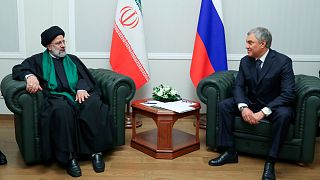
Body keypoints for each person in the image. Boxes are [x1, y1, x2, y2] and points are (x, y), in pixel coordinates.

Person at [12, 26, 115, 177]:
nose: (63, 45)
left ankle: (96, 152)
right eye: (58, 43)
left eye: (63, 41)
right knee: (62, 111)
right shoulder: (38, 60)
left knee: (93, 104)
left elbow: (84, 77)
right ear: (48, 46)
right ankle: (70, 157)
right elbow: (18, 68)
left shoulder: (72, 59)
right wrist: (30, 76)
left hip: (78, 93)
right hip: (56, 97)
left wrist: (81, 88)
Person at [208, 27, 295, 180]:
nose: (246, 46)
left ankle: (270, 162)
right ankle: (229, 151)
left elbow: (288, 94)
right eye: (246, 42)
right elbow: (238, 87)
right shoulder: (245, 61)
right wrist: (243, 107)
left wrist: (263, 112)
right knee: (224, 105)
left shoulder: (283, 62)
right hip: (251, 103)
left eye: (250, 42)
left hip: (274, 106)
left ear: (263, 44)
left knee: (285, 114)